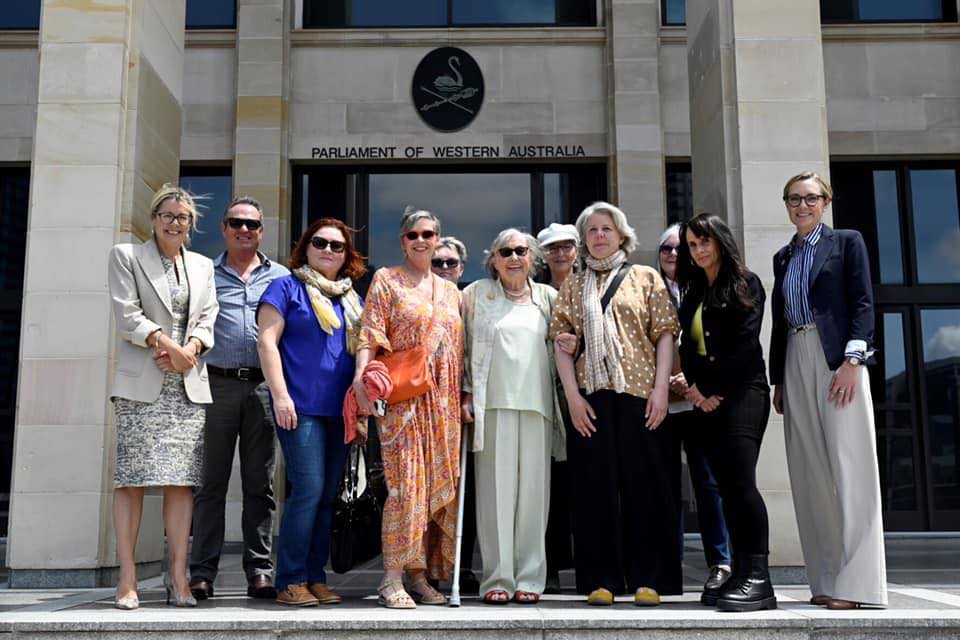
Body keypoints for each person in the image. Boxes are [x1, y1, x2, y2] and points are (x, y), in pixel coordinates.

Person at [550, 202, 681, 607]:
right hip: (590, 396)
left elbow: (664, 335)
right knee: (594, 489)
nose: (600, 236)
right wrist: (572, 397)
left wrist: (661, 390)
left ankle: (648, 579)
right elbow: (560, 341)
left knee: (645, 487)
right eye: (592, 230)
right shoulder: (574, 283)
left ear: (621, 235)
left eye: (607, 229)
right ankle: (600, 579)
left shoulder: (645, 277)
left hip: (640, 395)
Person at [770, 172, 887, 610]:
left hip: (838, 359)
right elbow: (781, 320)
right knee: (810, 474)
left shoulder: (846, 242)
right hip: (795, 358)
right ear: (786, 205)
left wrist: (853, 361)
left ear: (826, 202)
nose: (803, 205)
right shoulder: (784, 256)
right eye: (794, 199)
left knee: (851, 470)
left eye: (811, 198)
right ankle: (825, 579)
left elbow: (862, 301)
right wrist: (779, 379)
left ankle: (859, 587)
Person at [107, 183, 218, 609]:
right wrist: (170, 347)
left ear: (191, 224)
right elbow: (127, 314)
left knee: (181, 482)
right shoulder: (127, 256)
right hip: (143, 381)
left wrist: (191, 350)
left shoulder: (203, 265)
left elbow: (208, 316)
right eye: (168, 215)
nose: (176, 223)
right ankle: (129, 578)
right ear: (153, 218)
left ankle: (177, 577)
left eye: (183, 217)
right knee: (132, 480)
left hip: (187, 385)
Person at [352, 208, 463, 609]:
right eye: (413, 234)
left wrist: (465, 397)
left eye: (428, 233)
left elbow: (461, 352)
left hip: (445, 404)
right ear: (403, 241)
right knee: (405, 488)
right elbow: (370, 333)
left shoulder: (452, 292)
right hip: (403, 401)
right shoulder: (386, 280)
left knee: (436, 487)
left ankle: (419, 575)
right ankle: (391, 577)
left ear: (437, 239)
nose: (421, 240)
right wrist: (360, 379)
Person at [257, 218, 366, 607]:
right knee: (308, 489)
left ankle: (315, 577)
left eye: (338, 246)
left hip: (340, 413)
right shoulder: (285, 287)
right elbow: (267, 343)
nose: (328, 250)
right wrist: (280, 396)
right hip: (299, 407)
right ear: (306, 247)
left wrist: (364, 412)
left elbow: (363, 356)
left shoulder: (352, 299)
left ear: (346, 256)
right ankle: (290, 578)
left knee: (326, 497)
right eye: (320, 242)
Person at [189, 197, 289, 602]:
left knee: (259, 485)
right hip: (216, 385)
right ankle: (202, 573)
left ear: (262, 230)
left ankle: (259, 571)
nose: (244, 230)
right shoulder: (204, 273)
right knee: (210, 484)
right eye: (236, 223)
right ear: (224, 228)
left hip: (264, 388)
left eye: (252, 224)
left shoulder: (281, 276)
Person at [675, 213, 775, 612]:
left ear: (720, 241)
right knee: (722, 490)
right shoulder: (695, 289)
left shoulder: (744, 283)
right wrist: (697, 392)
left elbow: (744, 345)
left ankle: (759, 578)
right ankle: (737, 572)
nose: (698, 250)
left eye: (704, 242)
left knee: (740, 484)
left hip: (743, 395)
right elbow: (688, 347)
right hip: (706, 399)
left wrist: (709, 389)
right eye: (692, 244)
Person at [461, 229, 561, 605]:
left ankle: (530, 579)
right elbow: (461, 346)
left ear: (532, 258)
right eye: (506, 251)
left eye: (522, 250)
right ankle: (498, 577)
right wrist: (466, 392)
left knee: (534, 497)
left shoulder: (548, 298)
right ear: (494, 259)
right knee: (495, 498)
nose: (514, 257)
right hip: (494, 406)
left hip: (538, 406)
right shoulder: (476, 295)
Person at [657, 223, 732, 600]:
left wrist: (692, 381)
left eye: (677, 249)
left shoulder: (704, 288)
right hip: (663, 405)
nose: (672, 255)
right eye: (665, 250)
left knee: (708, 484)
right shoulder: (648, 290)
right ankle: (666, 563)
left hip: (700, 400)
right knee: (665, 486)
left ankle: (721, 562)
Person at [431, 235, 479, 595]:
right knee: (427, 493)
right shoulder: (420, 297)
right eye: (438, 262)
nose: (444, 268)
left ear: (461, 269)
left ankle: (460, 566)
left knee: (465, 491)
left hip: (460, 407)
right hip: (423, 408)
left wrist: (467, 393)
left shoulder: (469, 302)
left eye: (450, 263)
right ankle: (428, 567)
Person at [535, 222, 579, 595]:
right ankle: (549, 565)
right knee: (551, 485)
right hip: (546, 397)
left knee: (586, 483)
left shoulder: (589, 287)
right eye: (552, 248)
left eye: (566, 247)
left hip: (586, 396)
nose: (560, 254)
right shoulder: (534, 293)